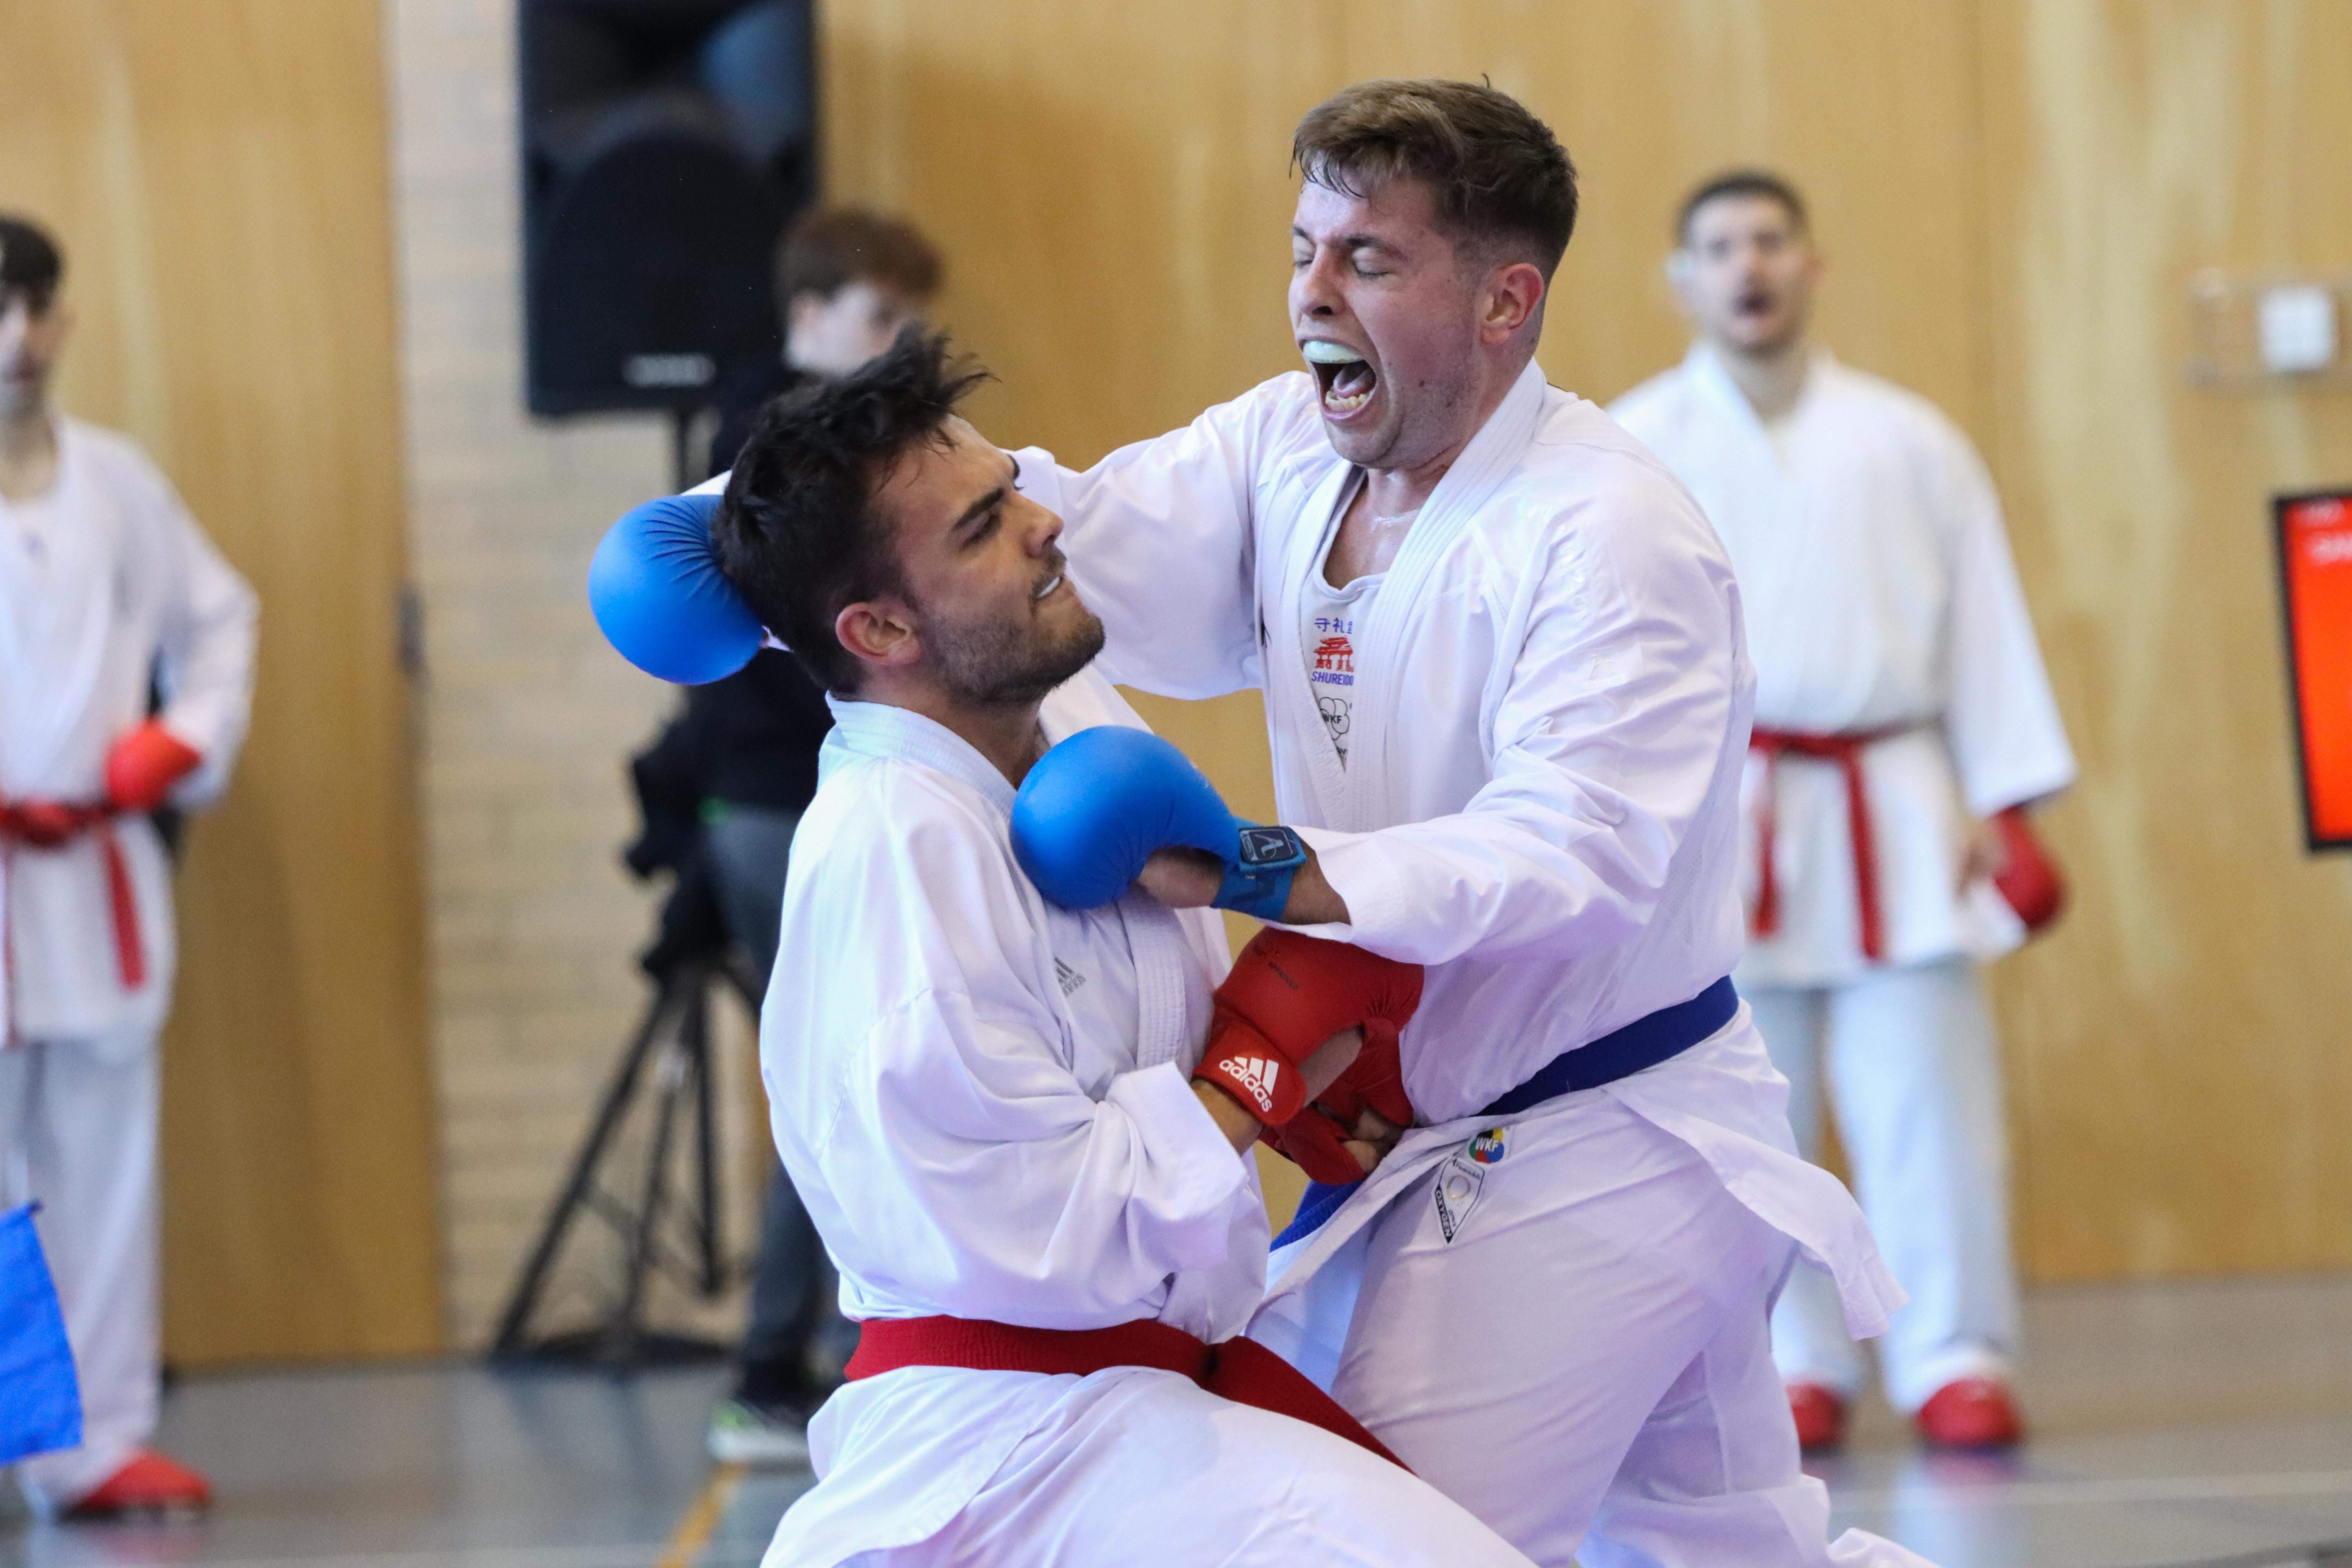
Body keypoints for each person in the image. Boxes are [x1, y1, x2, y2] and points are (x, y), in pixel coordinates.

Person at [995, 81, 1932, 1566]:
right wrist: (784, 531)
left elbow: (1569, 852)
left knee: (1368, 1538)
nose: (1308, 290)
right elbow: (1071, 538)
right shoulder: (1285, 452)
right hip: (1454, 1134)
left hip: (1602, 1144)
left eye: (1365, 257)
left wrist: (1258, 867)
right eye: (1302, 245)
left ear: (1504, 299)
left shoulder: (1607, 532)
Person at [591, 335, 1538, 1568]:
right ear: (878, 628)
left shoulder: (1052, 709)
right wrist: (1252, 1076)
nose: (1045, 521)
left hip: (1136, 1405)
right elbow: (1050, 1237)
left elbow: (831, 560)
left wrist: (1299, 1085)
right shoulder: (896, 857)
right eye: (986, 522)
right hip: (1011, 1450)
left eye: (1013, 486)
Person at [1610, 170, 2076, 1452]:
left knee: (1927, 1100)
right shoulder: (1632, 445)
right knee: (1753, 1108)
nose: (1747, 266)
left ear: (1811, 264)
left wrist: (2009, 799)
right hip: (1724, 812)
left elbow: (1982, 620)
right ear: (1682, 279)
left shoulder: (1909, 440)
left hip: (1896, 802)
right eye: (1718, 246)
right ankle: (1788, 1357)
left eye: (1769, 242)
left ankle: (1955, 1351)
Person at [632, 206, 943, 1465]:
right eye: (877, 321)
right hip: (774, 804)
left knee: (851, 1067)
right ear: (807, 313)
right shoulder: (772, 449)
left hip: (806, 793)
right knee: (834, 1073)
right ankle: (769, 1366)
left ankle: (811, 1348)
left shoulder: (837, 442)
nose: (896, 347)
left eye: (909, 326)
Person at [0, 214, 257, 1518]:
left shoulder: (116, 483)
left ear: (62, 322)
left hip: (89, 870)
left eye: (31, 311)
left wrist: (180, 737)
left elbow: (220, 620)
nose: (13, 342)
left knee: (98, 1164)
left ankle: (88, 1446)